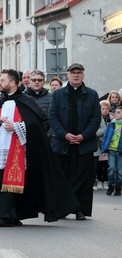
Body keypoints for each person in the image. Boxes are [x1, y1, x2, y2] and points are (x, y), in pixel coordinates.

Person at [0, 69, 79, 226]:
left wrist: (16, 127)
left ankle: (13, 215)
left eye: (2, 80)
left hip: (19, 150)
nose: (0, 83)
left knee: (18, 185)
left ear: (12, 83)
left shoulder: (26, 101)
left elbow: (36, 125)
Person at [49, 63, 101, 220]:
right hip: (62, 143)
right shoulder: (58, 95)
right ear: (68, 75)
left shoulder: (92, 94)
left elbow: (96, 119)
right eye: (73, 73)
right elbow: (53, 117)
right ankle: (61, 207)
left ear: (83, 75)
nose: (76, 75)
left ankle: (79, 209)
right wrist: (64, 134)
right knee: (62, 178)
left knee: (83, 179)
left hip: (83, 144)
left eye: (79, 73)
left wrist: (83, 136)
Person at [100, 105, 122, 196]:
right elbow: (105, 137)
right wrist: (104, 148)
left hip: (120, 151)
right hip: (111, 150)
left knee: (120, 171)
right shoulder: (111, 124)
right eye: (115, 112)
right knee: (111, 168)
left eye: (118, 112)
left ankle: (118, 187)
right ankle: (111, 186)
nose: (116, 114)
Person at [96, 100, 111, 189]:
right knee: (99, 164)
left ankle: (105, 180)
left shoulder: (112, 119)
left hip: (108, 145)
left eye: (107, 108)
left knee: (106, 164)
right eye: (103, 108)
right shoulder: (97, 118)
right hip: (99, 144)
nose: (105, 110)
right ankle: (99, 180)